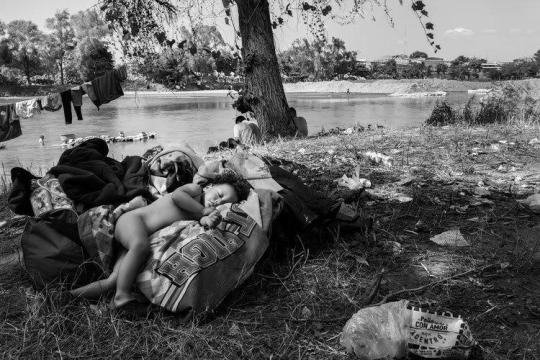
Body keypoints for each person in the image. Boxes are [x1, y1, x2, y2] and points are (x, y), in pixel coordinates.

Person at [70, 172, 251, 308]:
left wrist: (207, 220)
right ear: (209, 186)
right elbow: (177, 197)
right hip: (132, 221)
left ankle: (69, 297)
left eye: (223, 203)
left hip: (138, 235)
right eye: (218, 195)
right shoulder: (194, 191)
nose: (216, 203)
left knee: (114, 279)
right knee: (140, 247)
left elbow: (199, 220)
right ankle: (122, 296)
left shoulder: (198, 214)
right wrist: (203, 212)